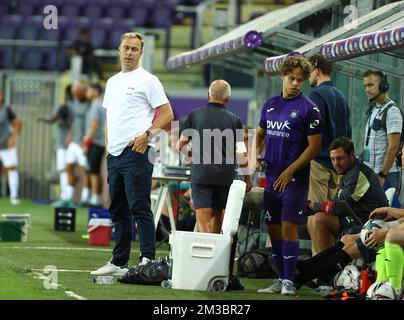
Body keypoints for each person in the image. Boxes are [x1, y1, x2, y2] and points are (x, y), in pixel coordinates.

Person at [91, 32, 174, 276]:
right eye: (126, 48)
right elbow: (110, 117)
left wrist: (147, 135)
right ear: (119, 50)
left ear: (141, 52)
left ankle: (148, 261)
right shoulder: (112, 82)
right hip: (115, 154)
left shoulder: (149, 80)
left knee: (139, 207)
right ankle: (119, 262)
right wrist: (108, 145)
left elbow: (167, 113)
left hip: (137, 152)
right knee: (118, 209)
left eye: (134, 49)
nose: (129, 53)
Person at [254, 56, 323, 295]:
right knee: (273, 228)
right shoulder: (270, 104)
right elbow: (260, 133)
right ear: (283, 76)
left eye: (300, 80)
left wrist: (291, 170)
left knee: (287, 225)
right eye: (291, 78)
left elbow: (314, 147)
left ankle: (289, 282)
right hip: (271, 178)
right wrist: (255, 155)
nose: (295, 83)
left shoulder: (309, 109)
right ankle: (280, 277)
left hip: (294, 179)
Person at [179, 79, 253, 234]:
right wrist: (247, 178)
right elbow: (242, 152)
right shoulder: (235, 120)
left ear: (208, 95)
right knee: (217, 218)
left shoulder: (195, 115)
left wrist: (192, 156)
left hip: (202, 173)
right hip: (224, 175)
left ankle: (203, 254)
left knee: (203, 217)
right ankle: (215, 255)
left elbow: (181, 145)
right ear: (227, 99)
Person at [307, 137, 388, 255]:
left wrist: (312, 205)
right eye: (333, 159)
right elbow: (337, 203)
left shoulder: (358, 174)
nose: (336, 164)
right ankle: (329, 265)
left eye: (340, 158)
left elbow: (338, 207)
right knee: (312, 220)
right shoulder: (347, 172)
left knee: (319, 220)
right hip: (353, 218)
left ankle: (331, 266)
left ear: (352, 155)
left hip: (368, 223)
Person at [294, 206, 404, 291]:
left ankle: (304, 276)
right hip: (398, 230)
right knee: (348, 238)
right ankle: (306, 266)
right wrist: (385, 226)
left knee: (357, 245)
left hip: (396, 236)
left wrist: (387, 218)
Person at [306, 54, 352, 255]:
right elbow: (348, 134)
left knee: (314, 216)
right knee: (332, 219)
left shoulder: (316, 95)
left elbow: (311, 132)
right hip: (338, 168)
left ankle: (318, 271)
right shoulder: (341, 96)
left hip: (319, 164)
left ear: (316, 70)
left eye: (308, 71)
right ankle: (332, 266)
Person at [362, 70, 402, 193]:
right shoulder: (374, 109)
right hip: (372, 172)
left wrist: (382, 175)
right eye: (365, 86)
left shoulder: (392, 111)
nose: (367, 90)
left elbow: (393, 147)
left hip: (386, 175)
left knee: (386, 211)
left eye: (370, 85)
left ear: (383, 86)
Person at [37, 84, 73, 206]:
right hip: (72, 143)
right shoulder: (76, 107)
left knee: (63, 170)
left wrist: (42, 119)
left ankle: (65, 197)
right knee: (70, 171)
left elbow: (52, 119)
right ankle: (71, 197)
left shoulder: (65, 107)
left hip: (63, 143)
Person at [64, 82, 91, 207]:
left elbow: (92, 124)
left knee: (85, 172)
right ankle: (68, 197)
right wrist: (69, 135)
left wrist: (86, 141)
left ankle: (85, 199)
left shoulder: (89, 105)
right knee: (68, 169)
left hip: (82, 143)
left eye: (77, 92)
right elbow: (75, 122)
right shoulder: (74, 104)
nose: (75, 94)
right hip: (73, 143)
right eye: (73, 93)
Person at [83, 83, 106, 208]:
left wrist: (87, 142)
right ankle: (95, 198)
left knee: (94, 171)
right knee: (93, 171)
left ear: (96, 91)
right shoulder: (96, 105)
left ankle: (96, 200)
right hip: (97, 142)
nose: (87, 92)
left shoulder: (97, 105)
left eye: (89, 89)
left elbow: (94, 125)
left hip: (96, 142)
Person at [0, 91, 22, 205]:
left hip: (6, 145)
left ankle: (14, 196)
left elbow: (18, 123)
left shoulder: (6, 110)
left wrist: (13, 138)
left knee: (11, 169)